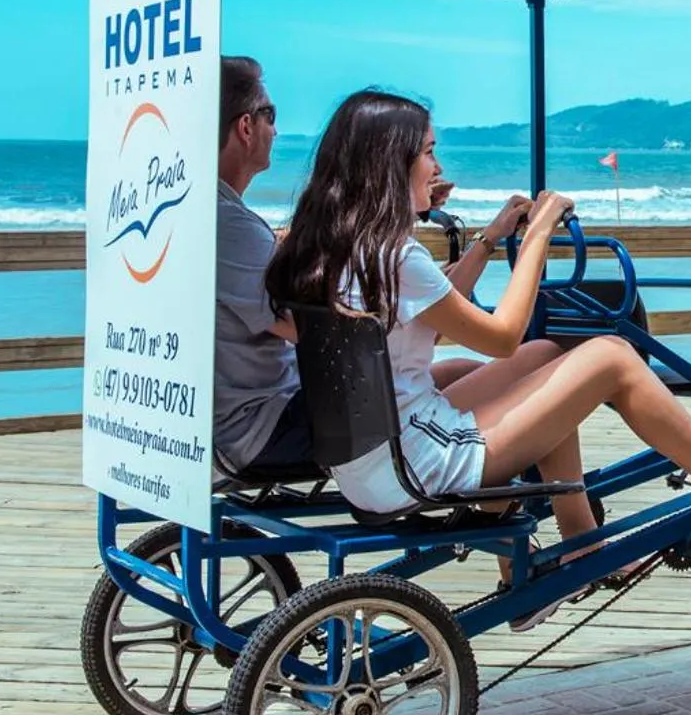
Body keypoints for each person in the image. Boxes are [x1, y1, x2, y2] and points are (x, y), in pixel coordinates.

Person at [264, 90, 691, 575]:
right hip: (416, 460)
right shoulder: (394, 256)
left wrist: (491, 235)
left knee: (543, 358)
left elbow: (435, 316)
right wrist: (540, 235)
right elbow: (497, 335)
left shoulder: (328, 245)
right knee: (609, 356)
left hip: (371, 454)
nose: (436, 167)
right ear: (390, 163)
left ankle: (578, 537)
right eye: (429, 152)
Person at [211, 58, 519, 481]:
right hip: (264, 427)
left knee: (463, 373)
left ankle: (499, 510)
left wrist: (399, 215)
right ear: (246, 127)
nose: (276, 130)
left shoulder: (224, 219)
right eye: (271, 115)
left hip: (274, 405)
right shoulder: (232, 229)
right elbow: (324, 331)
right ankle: (507, 503)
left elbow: (398, 303)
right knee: (513, 384)